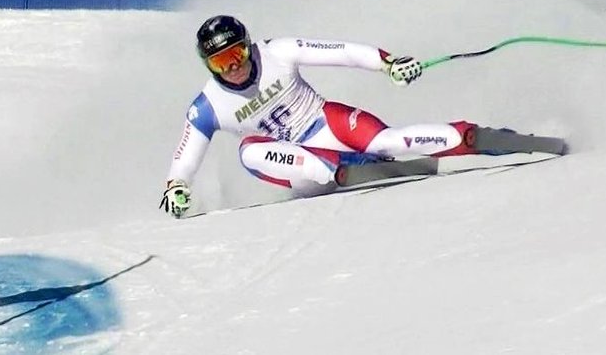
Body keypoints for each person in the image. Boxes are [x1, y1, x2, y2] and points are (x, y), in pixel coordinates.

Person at [160, 15, 481, 218]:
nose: (233, 68)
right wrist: (176, 186)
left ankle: (469, 137)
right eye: (220, 63)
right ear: (208, 66)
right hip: (302, 171)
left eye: (236, 55)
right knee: (248, 151)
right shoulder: (207, 106)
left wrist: (389, 63)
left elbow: (341, 52)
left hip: (327, 125)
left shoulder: (276, 51)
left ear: (247, 46)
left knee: (390, 141)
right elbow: (186, 156)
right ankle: (342, 169)